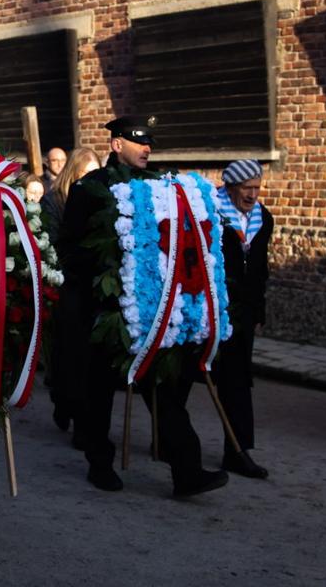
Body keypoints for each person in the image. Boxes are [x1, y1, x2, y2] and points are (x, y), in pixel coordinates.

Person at [59, 116, 227, 498]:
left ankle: (188, 472)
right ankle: (99, 464)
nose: (147, 148)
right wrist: (105, 277)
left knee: (164, 390)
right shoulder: (91, 188)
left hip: (152, 311)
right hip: (107, 310)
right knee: (99, 391)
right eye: (138, 142)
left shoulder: (159, 187)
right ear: (117, 145)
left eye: (149, 141)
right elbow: (70, 246)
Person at [215, 159, 273, 478]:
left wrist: (258, 310)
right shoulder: (211, 212)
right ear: (230, 187)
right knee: (182, 375)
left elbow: (261, 269)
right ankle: (168, 440)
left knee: (237, 380)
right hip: (209, 307)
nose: (252, 195)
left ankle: (237, 451)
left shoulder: (263, 218)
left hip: (243, 312)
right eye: (245, 188)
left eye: (256, 188)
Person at [40, 145, 100, 434]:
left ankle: (82, 416)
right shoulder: (54, 201)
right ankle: (65, 404)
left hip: (90, 286)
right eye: (86, 174)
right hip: (63, 285)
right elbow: (51, 244)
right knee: (67, 356)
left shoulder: (101, 203)